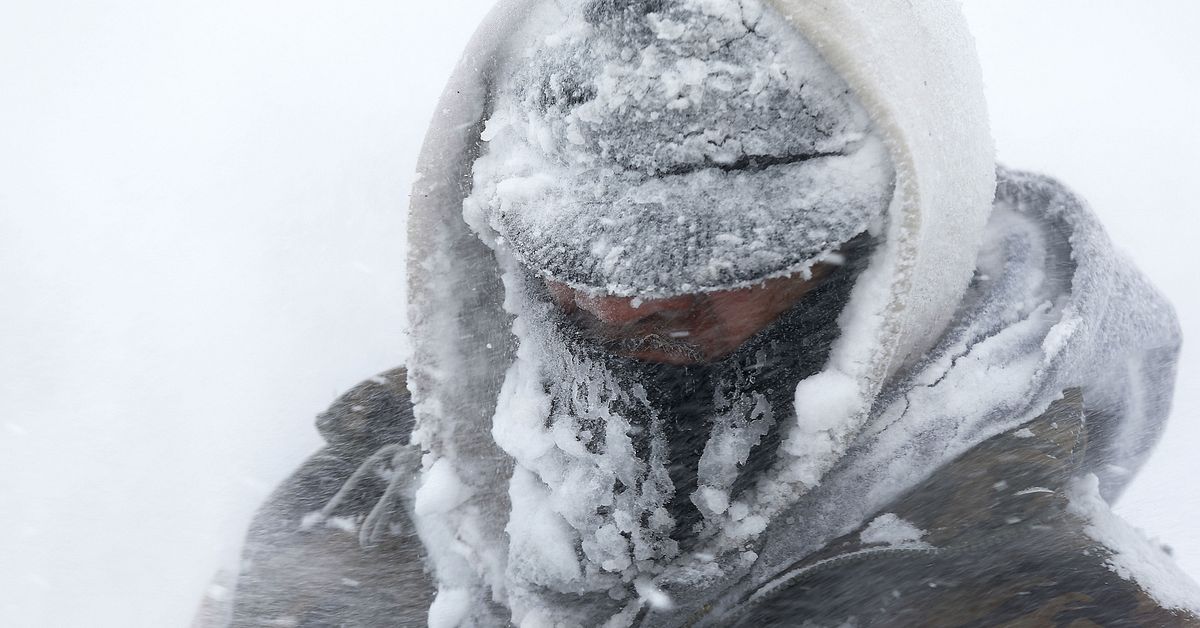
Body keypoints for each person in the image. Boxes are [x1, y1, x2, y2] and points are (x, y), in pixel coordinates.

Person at [215, 0, 1200, 626]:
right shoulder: (372, 503)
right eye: (576, 252)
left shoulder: (1048, 609)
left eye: (714, 258)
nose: (626, 303)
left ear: (891, 257)